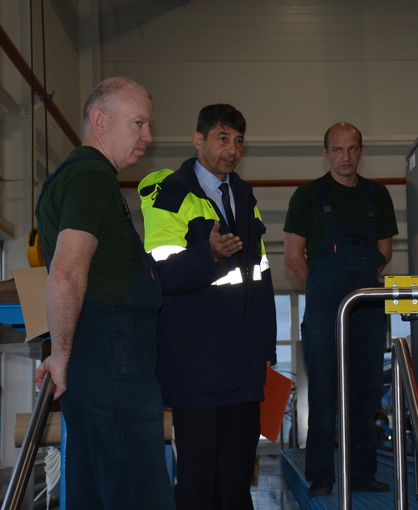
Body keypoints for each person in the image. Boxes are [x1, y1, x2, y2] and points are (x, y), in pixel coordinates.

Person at [34, 77, 175, 510]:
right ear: (99, 120)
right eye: (138, 123)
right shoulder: (92, 178)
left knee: (94, 488)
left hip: (102, 354)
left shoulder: (73, 177)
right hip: (114, 356)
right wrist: (59, 354)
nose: (147, 137)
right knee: (140, 490)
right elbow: (66, 272)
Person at [138, 104, 276, 510]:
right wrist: (208, 254)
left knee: (236, 482)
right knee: (198, 483)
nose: (231, 149)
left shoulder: (245, 197)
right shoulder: (170, 194)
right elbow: (159, 276)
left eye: (237, 140)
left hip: (244, 366)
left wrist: (264, 350)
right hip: (195, 367)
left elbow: (260, 278)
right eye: (222, 138)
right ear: (198, 141)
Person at [283, 122, 398, 497]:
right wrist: (321, 291)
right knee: (323, 393)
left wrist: (357, 287)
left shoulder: (377, 196)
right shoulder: (307, 196)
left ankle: (362, 473)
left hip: (366, 306)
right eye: (337, 150)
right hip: (323, 306)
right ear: (325, 153)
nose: (345, 157)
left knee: (365, 392)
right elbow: (292, 256)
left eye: (352, 149)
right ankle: (321, 475)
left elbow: (383, 254)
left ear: (361, 151)